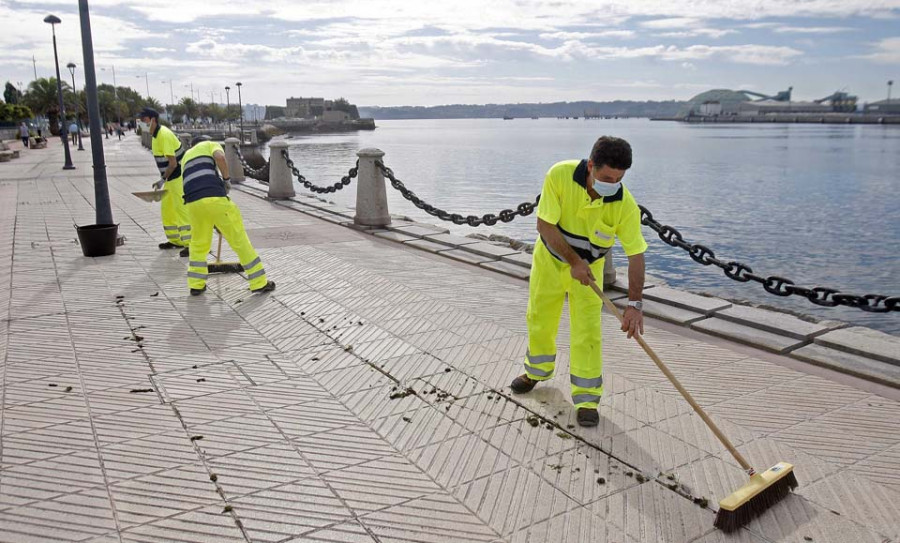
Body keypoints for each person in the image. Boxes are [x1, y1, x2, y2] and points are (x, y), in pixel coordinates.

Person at [509, 136, 647, 427]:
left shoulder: (624, 205)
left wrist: (634, 304)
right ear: (591, 165)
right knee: (540, 317)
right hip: (550, 260)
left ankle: (586, 398)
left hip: (589, 272)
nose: (613, 184)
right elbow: (544, 224)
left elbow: (636, 254)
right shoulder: (559, 175)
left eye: (619, 178)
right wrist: (573, 261)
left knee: (587, 331)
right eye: (607, 177)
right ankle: (536, 371)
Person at [181, 135, 275, 296]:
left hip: (193, 203)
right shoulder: (210, 144)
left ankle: (196, 285)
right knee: (239, 239)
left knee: (198, 243)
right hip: (214, 198)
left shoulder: (186, 156)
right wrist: (226, 179)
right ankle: (259, 282)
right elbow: (220, 157)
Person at [138, 107, 191, 255]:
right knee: (168, 210)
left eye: (144, 120)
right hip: (170, 179)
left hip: (178, 177)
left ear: (152, 120)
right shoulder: (155, 136)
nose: (141, 123)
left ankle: (191, 243)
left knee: (182, 210)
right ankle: (176, 241)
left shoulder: (164, 135)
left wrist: (162, 180)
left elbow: (173, 163)